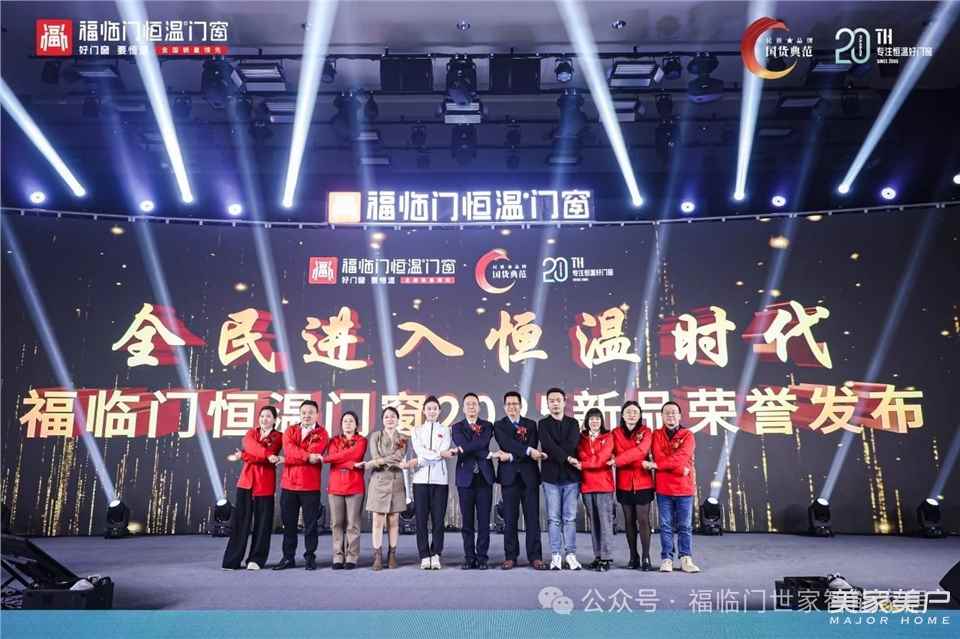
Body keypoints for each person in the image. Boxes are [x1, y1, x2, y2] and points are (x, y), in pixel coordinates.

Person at [222, 405, 283, 570]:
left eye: (268, 416)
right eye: (262, 416)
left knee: (262, 523)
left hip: (264, 484)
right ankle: (232, 560)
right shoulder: (251, 433)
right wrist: (264, 454)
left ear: (275, 420)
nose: (264, 419)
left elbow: (264, 457)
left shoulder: (278, 437)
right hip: (246, 482)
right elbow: (251, 446)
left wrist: (243, 456)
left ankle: (256, 559)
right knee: (240, 522)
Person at [492, 391, 547, 571]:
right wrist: (527, 452)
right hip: (509, 478)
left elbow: (531, 445)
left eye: (515, 404)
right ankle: (510, 556)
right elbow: (506, 444)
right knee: (510, 519)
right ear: (504, 407)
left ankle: (535, 556)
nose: (512, 407)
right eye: (509, 404)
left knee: (532, 519)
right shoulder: (499, 425)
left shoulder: (531, 424)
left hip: (529, 477)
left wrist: (511, 456)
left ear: (521, 406)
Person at [274, 399, 329, 571]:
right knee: (289, 524)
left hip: (310, 486)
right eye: (304, 412)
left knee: (311, 525)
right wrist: (305, 457)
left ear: (317, 415)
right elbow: (289, 450)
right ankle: (288, 558)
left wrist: (287, 460)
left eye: (311, 412)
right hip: (289, 484)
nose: (307, 415)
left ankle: (310, 557)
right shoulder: (290, 430)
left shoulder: (322, 433)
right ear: (300, 414)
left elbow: (315, 454)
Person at [648, 401, 701, 573]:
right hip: (663, 488)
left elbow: (682, 456)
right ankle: (667, 559)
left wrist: (658, 465)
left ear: (679, 416)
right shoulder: (656, 434)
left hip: (684, 488)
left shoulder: (688, 435)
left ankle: (686, 558)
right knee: (665, 525)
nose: (670, 416)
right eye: (667, 413)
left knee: (684, 526)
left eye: (673, 413)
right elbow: (659, 456)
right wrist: (679, 469)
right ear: (662, 416)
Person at [537, 387, 583, 571]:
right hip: (550, 478)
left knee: (570, 518)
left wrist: (561, 454)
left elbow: (572, 444)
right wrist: (568, 458)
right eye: (551, 401)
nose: (555, 403)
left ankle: (570, 554)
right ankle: (556, 554)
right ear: (547, 403)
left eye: (558, 400)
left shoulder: (573, 423)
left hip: (571, 478)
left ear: (564, 402)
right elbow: (547, 445)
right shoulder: (542, 424)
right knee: (554, 519)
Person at [409, 396, 457, 570]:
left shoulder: (446, 430)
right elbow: (420, 450)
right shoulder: (416, 431)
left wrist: (429, 455)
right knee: (421, 520)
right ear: (423, 411)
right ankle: (424, 555)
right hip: (420, 480)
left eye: (435, 408)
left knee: (438, 520)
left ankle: (436, 554)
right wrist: (438, 454)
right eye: (429, 408)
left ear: (439, 411)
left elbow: (442, 451)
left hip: (440, 481)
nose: (431, 411)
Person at [360, 406, 410, 570]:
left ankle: (392, 555)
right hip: (379, 481)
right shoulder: (376, 436)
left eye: (393, 416)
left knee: (394, 520)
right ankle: (377, 556)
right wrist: (376, 462)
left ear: (397, 420)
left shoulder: (403, 438)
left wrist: (376, 463)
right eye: (387, 417)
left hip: (396, 481)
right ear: (383, 420)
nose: (390, 419)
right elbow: (375, 456)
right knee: (377, 520)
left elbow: (398, 456)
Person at [451, 392, 495, 570]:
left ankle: (482, 558)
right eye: (468, 404)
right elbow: (472, 445)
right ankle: (469, 557)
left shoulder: (487, 425)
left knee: (484, 522)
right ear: (463, 408)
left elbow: (479, 444)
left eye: (474, 404)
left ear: (479, 407)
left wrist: (462, 449)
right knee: (467, 522)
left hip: (484, 478)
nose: (471, 407)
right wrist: (487, 454)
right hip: (465, 479)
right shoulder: (457, 427)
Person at [610, 400, 654, 570]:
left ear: (640, 414)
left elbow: (642, 451)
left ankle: (646, 557)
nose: (632, 414)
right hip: (624, 483)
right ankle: (633, 556)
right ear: (622, 415)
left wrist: (618, 460)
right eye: (628, 411)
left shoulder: (646, 431)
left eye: (635, 411)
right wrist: (625, 459)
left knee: (643, 520)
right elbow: (615, 452)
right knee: (628, 521)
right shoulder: (615, 433)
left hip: (643, 482)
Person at [324, 411, 367, 570]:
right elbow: (332, 457)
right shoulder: (333, 441)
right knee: (336, 523)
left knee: (353, 524)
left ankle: (351, 556)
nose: (348, 424)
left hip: (355, 485)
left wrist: (336, 459)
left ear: (356, 425)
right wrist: (350, 464)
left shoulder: (362, 440)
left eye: (351, 421)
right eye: (345, 421)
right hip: (335, 486)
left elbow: (353, 454)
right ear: (341, 425)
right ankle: (337, 556)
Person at [577, 407, 615, 572]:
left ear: (602, 421)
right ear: (587, 421)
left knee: (605, 522)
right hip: (587, 485)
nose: (594, 422)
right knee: (594, 523)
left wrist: (584, 464)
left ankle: (606, 558)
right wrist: (589, 461)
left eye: (597, 419)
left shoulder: (608, 437)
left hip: (604, 485)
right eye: (591, 419)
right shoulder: (581, 438)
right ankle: (598, 555)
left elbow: (602, 458)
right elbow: (581, 454)